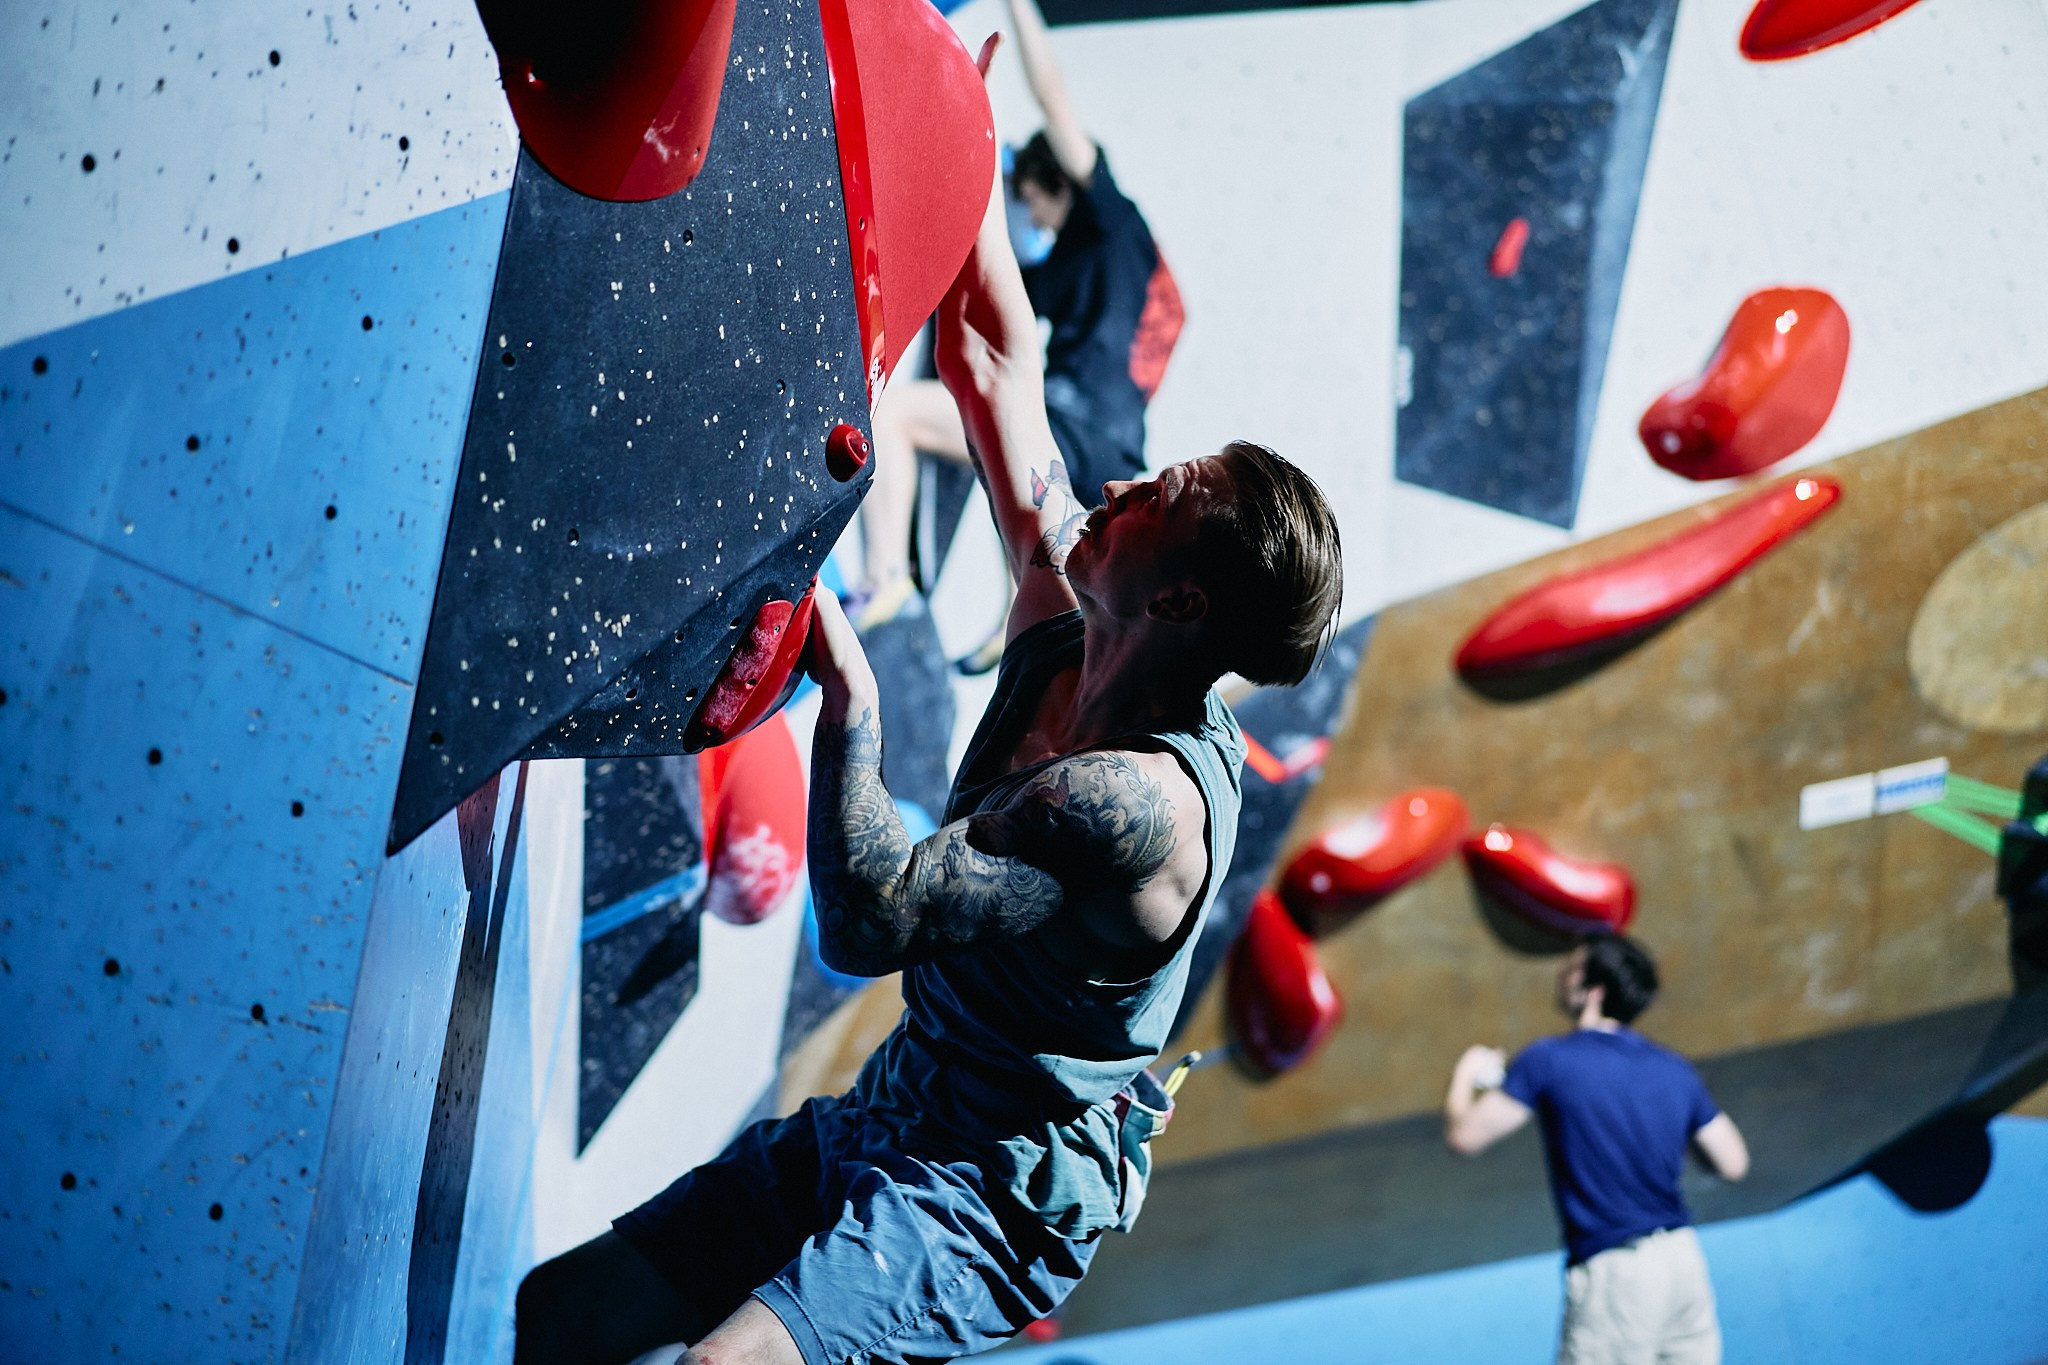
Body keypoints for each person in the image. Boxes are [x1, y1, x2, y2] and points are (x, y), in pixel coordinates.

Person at [510, 41, 1343, 1365]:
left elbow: (867, 919)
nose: (1115, 490)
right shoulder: (1073, 585)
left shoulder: (1130, 806)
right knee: (560, 1318)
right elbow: (999, 359)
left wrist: (849, 698)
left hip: (988, 1203)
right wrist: (945, 118)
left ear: (1182, 606)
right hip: (897, 1105)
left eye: (1157, 501)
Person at [851, 0, 1184, 646]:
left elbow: (1054, 98)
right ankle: (1028, 620)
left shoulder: (1110, 221)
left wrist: (1020, 9)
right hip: (1108, 445)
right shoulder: (1075, 270)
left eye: (1034, 206)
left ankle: (882, 573)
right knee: (1014, 486)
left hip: (1073, 420)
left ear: (1059, 186)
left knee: (894, 417)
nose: (1035, 223)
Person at [1445, 936, 1751, 1365]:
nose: (1560, 975)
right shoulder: (1674, 1069)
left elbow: (1465, 1137)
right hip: (1683, 1265)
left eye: (1570, 968)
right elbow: (1734, 1163)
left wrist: (1466, 1075)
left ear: (1595, 990)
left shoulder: (1549, 1059)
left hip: (1617, 1272)